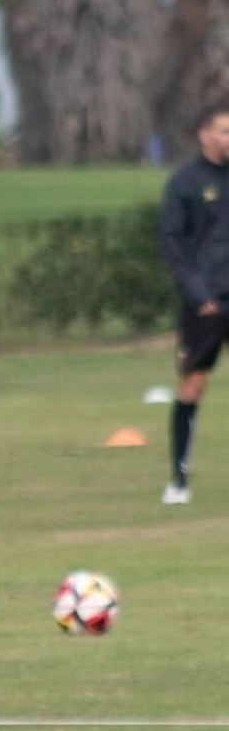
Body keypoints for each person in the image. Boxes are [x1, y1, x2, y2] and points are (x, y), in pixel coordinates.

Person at [159, 102, 229, 505]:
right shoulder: (185, 183)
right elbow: (174, 245)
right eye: (224, 130)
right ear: (204, 135)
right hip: (206, 304)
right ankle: (179, 479)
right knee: (193, 384)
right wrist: (198, 295)